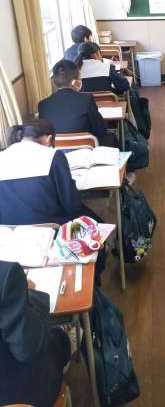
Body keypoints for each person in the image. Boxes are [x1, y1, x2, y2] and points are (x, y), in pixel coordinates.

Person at [0, 120, 102, 226]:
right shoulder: (54, 155)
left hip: (8, 230)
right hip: (50, 227)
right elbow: (70, 203)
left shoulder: (2, 156)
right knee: (98, 222)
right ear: (49, 139)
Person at [0, 260, 70, 406]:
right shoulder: (6, 275)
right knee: (60, 338)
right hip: (22, 395)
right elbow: (28, 349)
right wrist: (30, 294)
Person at [38, 60, 119, 148]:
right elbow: (100, 130)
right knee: (111, 138)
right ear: (75, 81)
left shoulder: (42, 105)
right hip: (86, 150)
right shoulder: (86, 99)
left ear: (54, 81)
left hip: (57, 151)